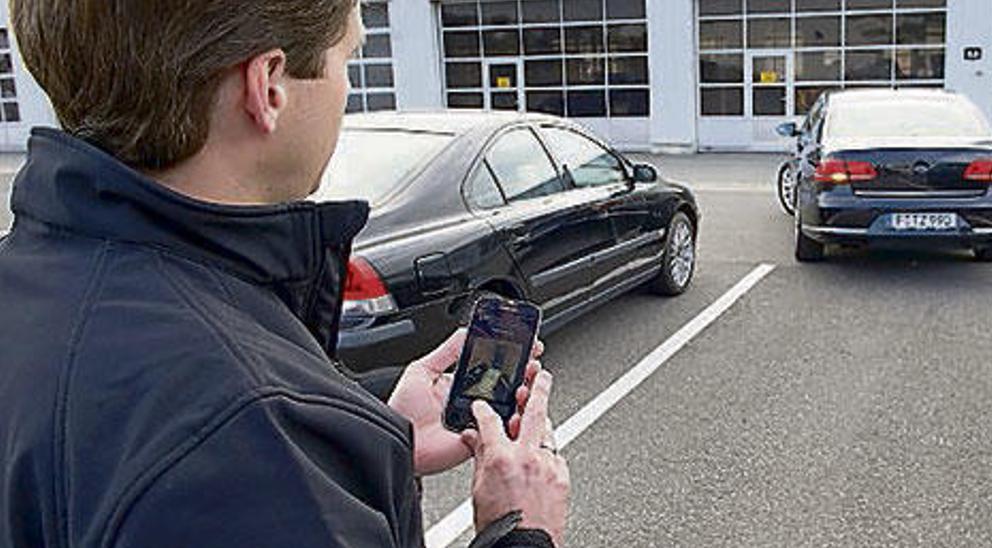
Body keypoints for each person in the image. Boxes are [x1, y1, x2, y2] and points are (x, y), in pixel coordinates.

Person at [0, 1, 569, 547]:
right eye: (348, 59)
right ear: (268, 86)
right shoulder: (245, 441)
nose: (347, 94)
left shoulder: (32, 279)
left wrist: (366, 434)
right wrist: (519, 533)